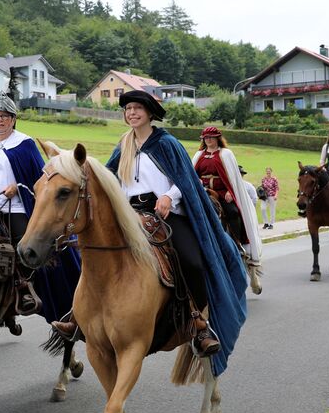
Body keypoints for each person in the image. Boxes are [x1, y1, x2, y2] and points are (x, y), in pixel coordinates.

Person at [83, 90, 247, 359]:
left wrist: (169, 197)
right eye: (128, 109)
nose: (132, 113)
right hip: (129, 214)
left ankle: (198, 322)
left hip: (165, 214)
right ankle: (79, 316)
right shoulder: (123, 145)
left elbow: (186, 181)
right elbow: (108, 180)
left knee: (192, 261)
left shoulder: (167, 143)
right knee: (96, 252)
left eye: (137, 108)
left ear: (149, 113)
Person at [0, 92, 80, 320]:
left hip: (14, 207)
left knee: (26, 246)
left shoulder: (24, 144)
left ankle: (26, 287)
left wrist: (18, 186)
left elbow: (42, 181)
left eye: (5, 116)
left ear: (13, 119)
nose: (0, 120)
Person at [193, 126, 262, 271]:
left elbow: (233, 177)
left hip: (223, 191)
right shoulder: (199, 155)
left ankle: (237, 243)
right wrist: (196, 180)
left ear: (218, 138)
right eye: (206, 138)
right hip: (203, 190)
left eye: (211, 137)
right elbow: (193, 173)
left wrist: (231, 191)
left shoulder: (226, 154)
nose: (208, 140)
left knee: (233, 211)